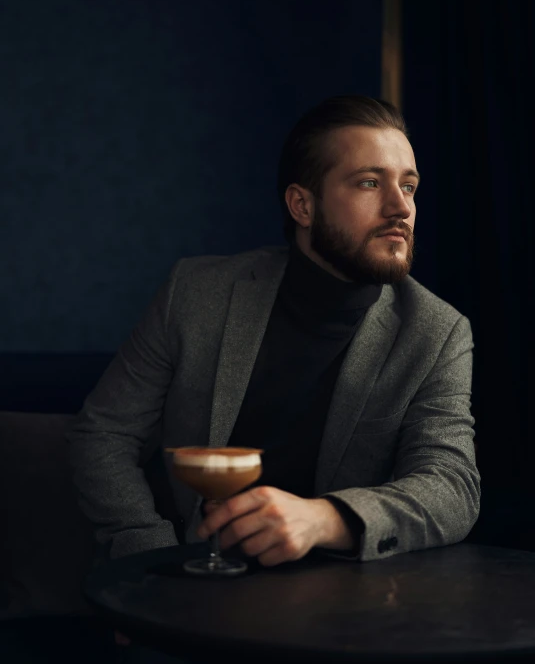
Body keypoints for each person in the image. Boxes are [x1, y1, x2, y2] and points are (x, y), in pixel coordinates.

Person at [67, 94, 480, 575]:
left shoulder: (437, 331)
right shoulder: (196, 293)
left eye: (409, 187)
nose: (400, 208)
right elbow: (104, 434)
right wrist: (152, 558)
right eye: (370, 182)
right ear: (302, 205)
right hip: (187, 576)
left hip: (339, 600)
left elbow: (452, 487)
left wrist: (326, 518)